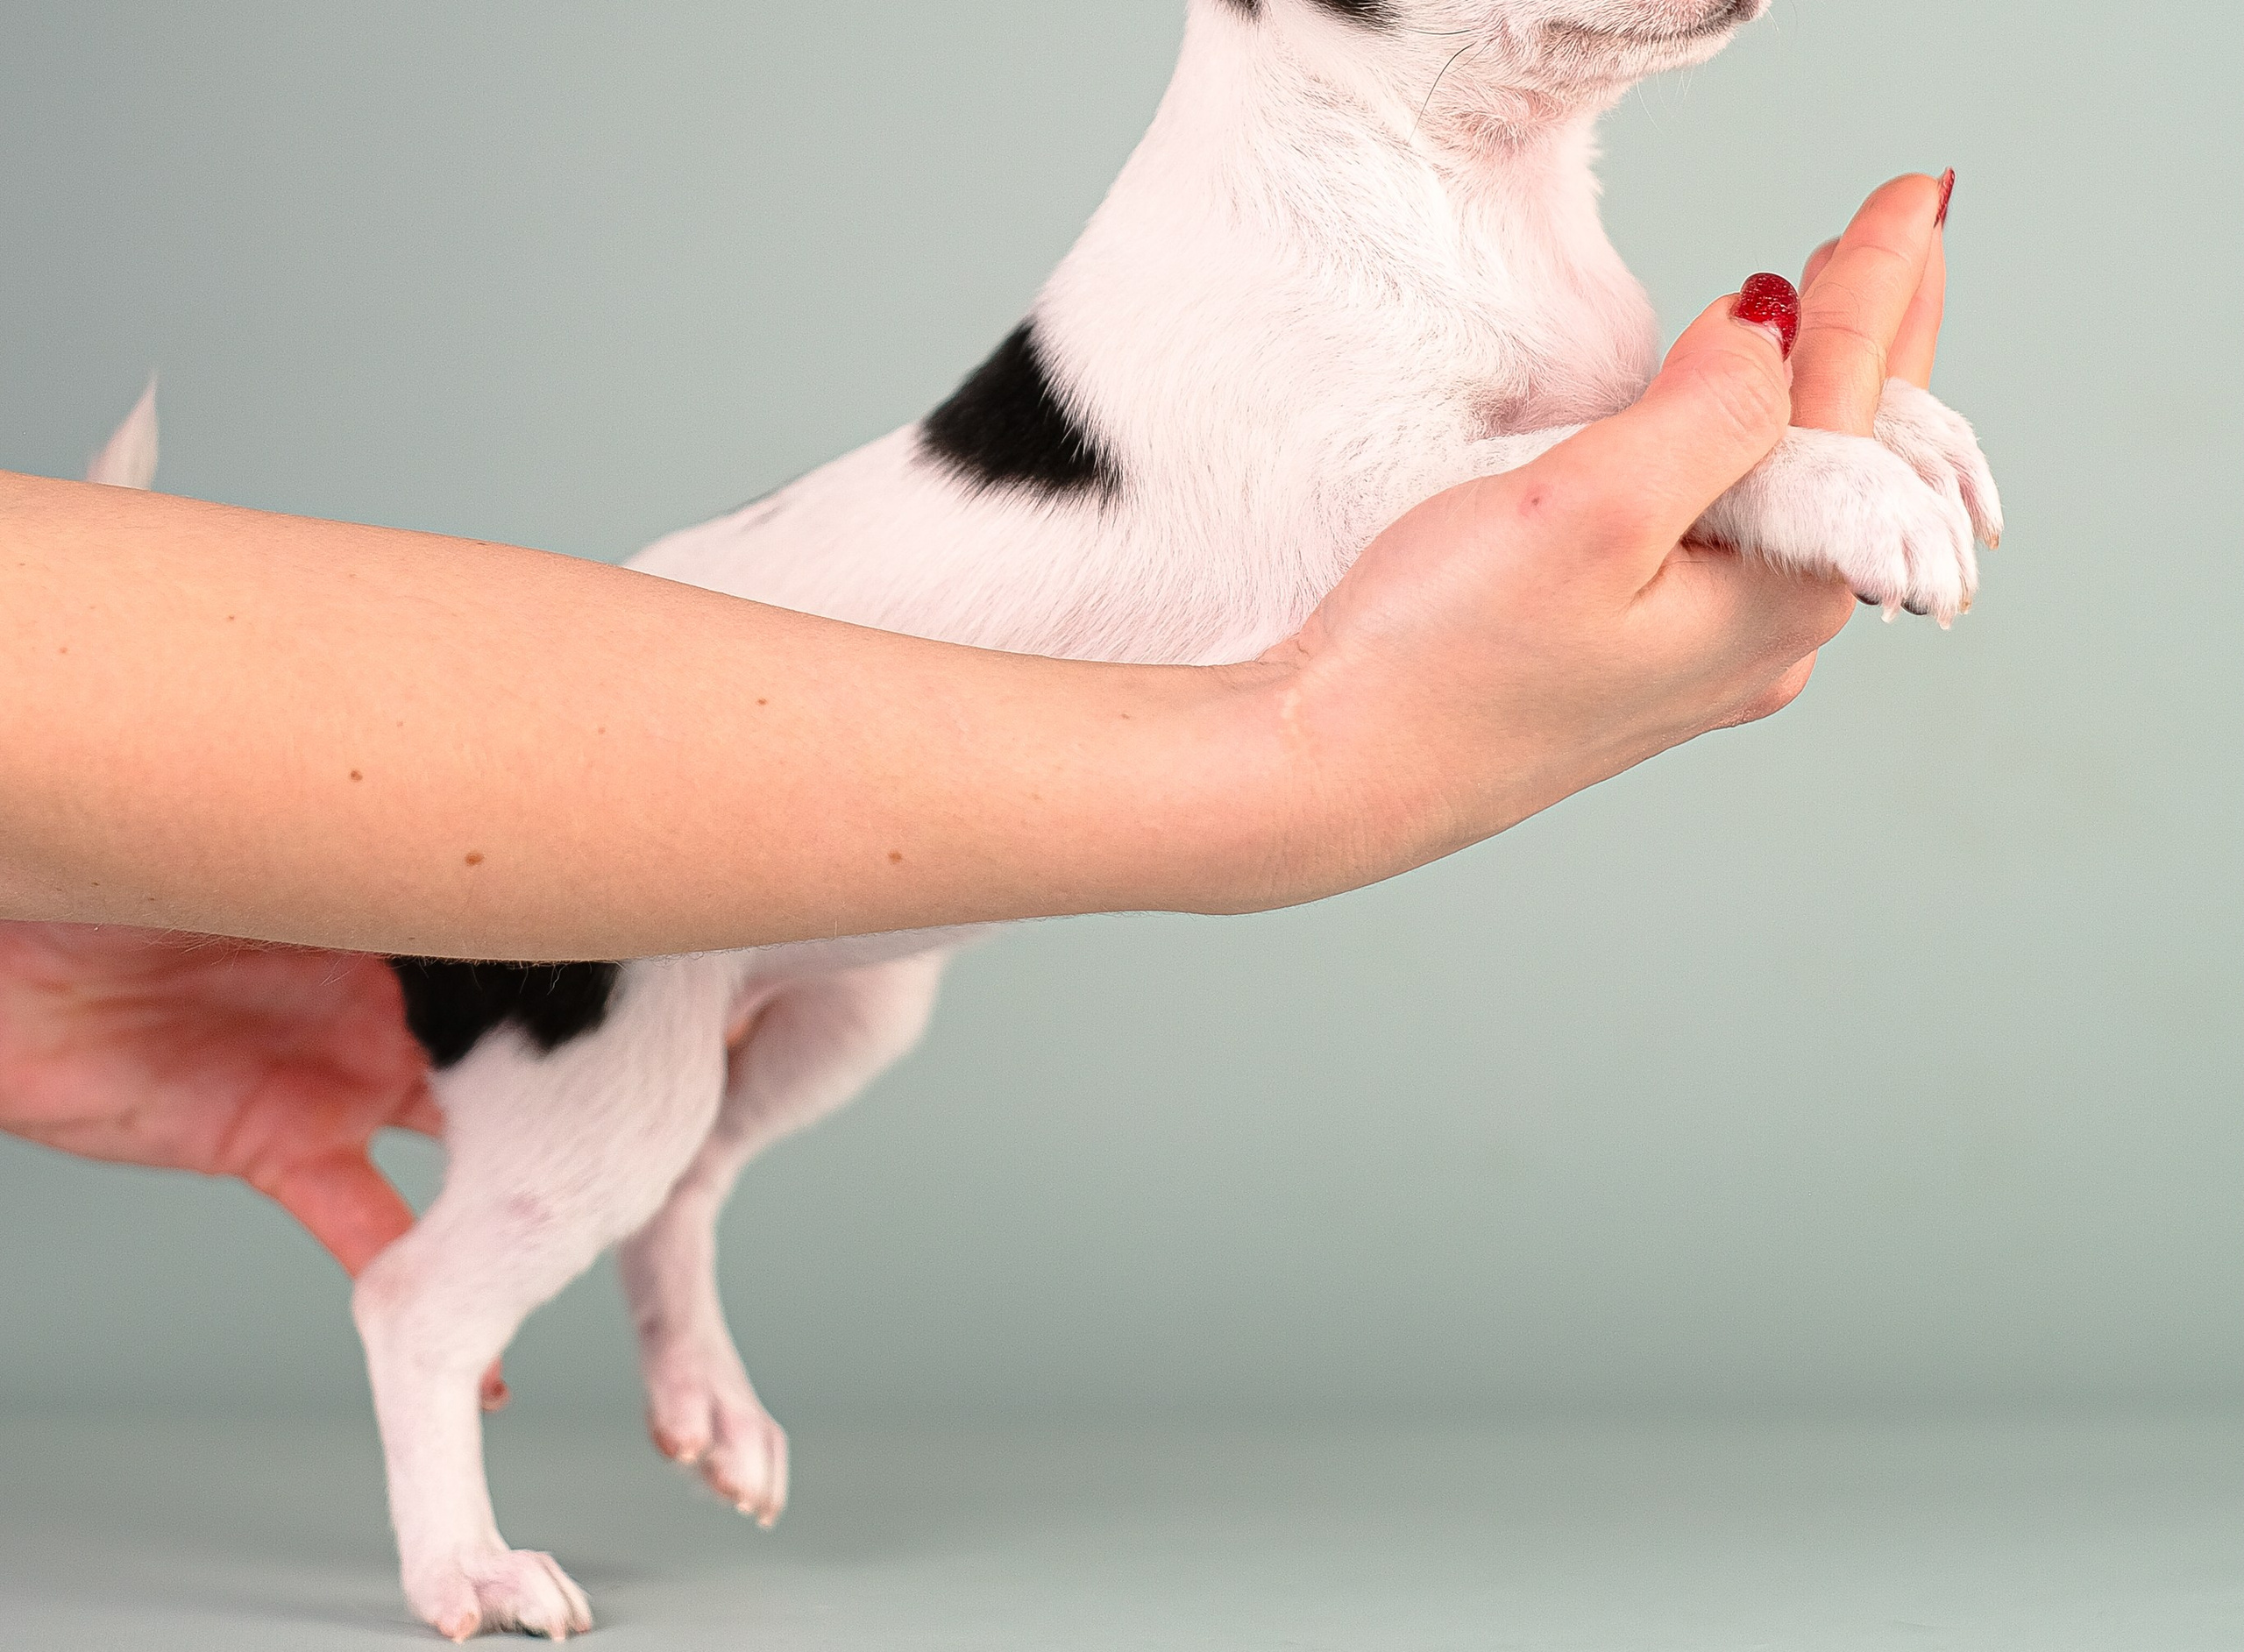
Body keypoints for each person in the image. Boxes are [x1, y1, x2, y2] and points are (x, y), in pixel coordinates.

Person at [0, 174, 1958, 1285]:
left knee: (779, 1066)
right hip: (684, 726)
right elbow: (1402, 512)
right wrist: (1282, 759)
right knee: (645, 1120)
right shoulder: (1262, 271)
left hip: (593, 776)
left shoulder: (1465, 258)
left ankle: (666, 1293)